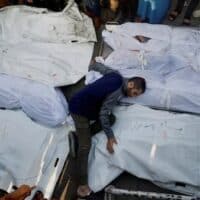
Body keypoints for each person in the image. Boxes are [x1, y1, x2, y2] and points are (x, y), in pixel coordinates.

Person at [68, 62, 146, 198]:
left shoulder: (116, 75)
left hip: (86, 102)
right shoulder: (116, 93)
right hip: (79, 109)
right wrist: (110, 137)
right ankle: (82, 184)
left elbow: (101, 67)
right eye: (134, 93)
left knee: (112, 119)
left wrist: (92, 65)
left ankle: (78, 136)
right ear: (131, 84)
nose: (133, 96)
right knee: (85, 146)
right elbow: (103, 114)